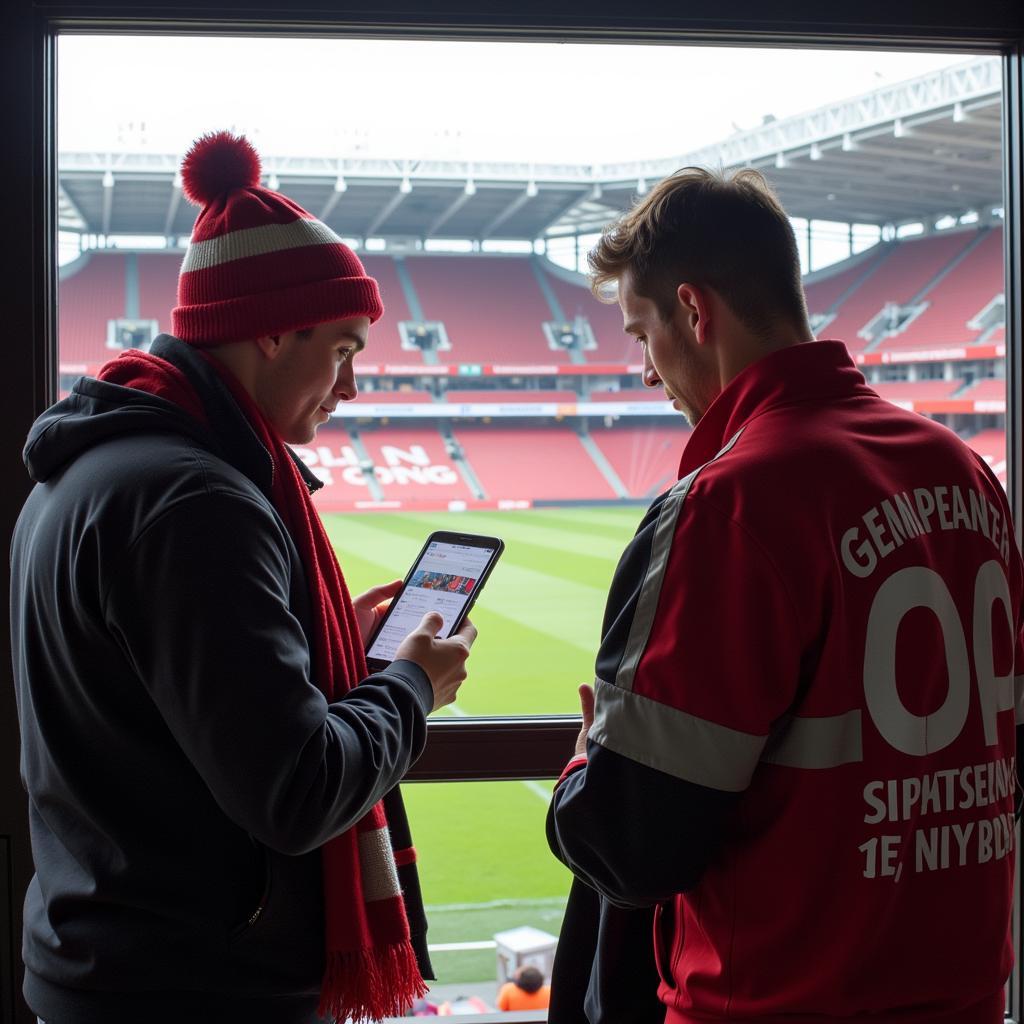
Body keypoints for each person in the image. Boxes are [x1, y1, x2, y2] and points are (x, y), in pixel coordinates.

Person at [10, 131, 477, 1024]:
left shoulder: (94, 468)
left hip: (104, 960)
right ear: (270, 331)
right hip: (193, 988)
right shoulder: (196, 503)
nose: (349, 388)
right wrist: (412, 684)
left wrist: (340, 656)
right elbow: (296, 792)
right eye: (341, 350)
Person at [546, 166, 1024, 1024]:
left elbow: (633, 845)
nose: (649, 374)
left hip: (773, 1000)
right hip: (970, 996)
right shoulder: (966, 471)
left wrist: (587, 757)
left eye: (641, 333)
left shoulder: (728, 506)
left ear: (693, 312)